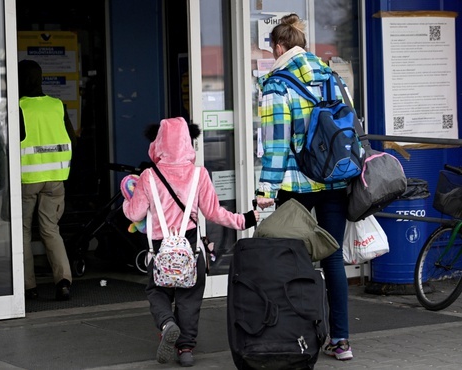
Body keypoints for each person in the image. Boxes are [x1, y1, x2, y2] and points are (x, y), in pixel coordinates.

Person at [123, 117, 259, 367]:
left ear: (159, 143)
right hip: (190, 245)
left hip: (159, 248)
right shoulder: (199, 174)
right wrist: (246, 220)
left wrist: (126, 201)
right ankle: (185, 348)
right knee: (190, 295)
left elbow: (134, 214)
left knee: (157, 290)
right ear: (188, 142)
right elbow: (216, 213)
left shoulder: (148, 176)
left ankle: (167, 324)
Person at [255, 14, 353, 361]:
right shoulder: (331, 76)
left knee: (291, 262)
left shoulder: (276, 85)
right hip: (334, 178)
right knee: (333, 259)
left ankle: (296, 338)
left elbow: (276, 146)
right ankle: (340, 341)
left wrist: (265, 192)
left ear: (279, 47)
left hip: (295, 185)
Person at [18, 59, 76, 301]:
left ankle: (27, 286)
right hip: (55, 178)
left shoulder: (19, 107)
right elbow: (72, 137)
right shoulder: (57, 105)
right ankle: (63, 281)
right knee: (51, 230)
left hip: (27, 178)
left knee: (21, 232)